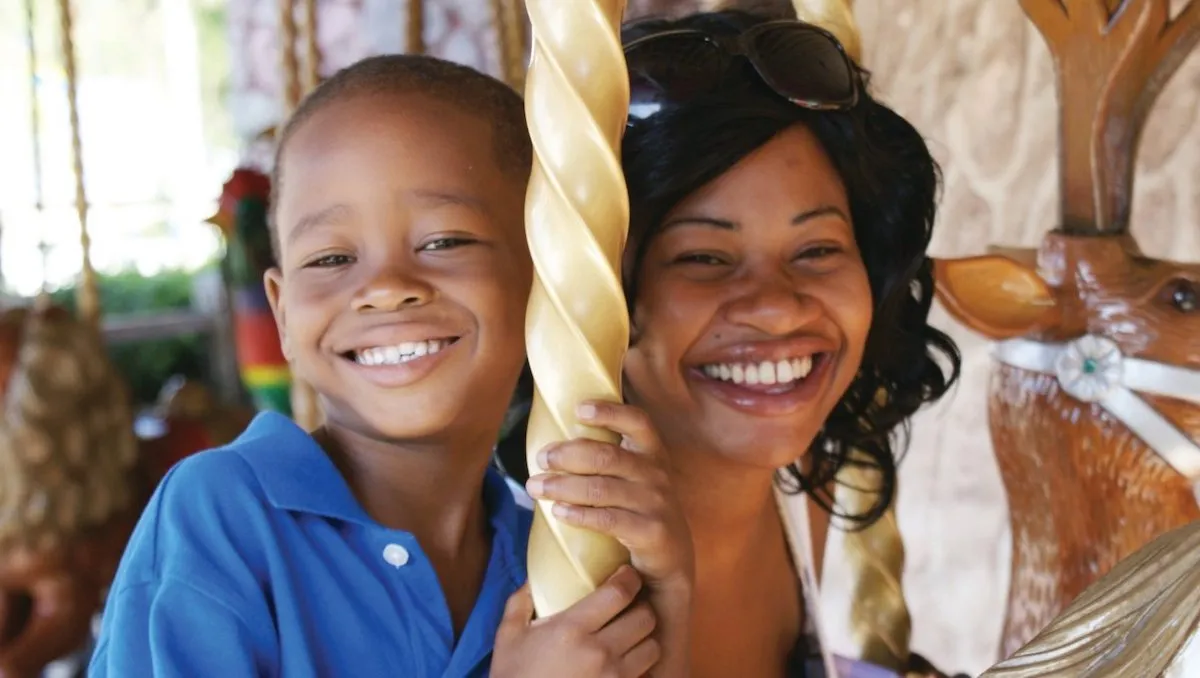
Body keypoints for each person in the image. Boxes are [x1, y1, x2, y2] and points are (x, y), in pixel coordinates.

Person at [89, 54, 692, 678]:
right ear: (283, 311)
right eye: (329, 259)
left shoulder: (546, 558)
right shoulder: (223, 516)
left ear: (545, 279)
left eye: (443, 242)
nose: (385, 287)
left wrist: (667, 597)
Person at [499, 9, 963, 677]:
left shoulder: (807, 503)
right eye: (704, 259)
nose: (776, 307)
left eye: (817, 249)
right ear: (600, 285)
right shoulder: (515, 564)